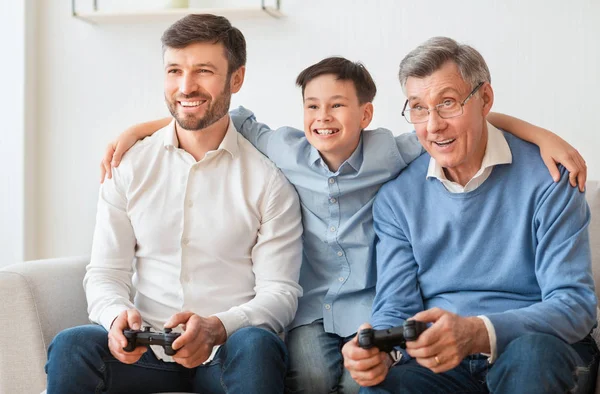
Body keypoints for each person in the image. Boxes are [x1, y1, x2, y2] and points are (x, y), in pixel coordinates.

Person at [100, 56, 588, 393]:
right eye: (312, 106)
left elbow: (453, 123)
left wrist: (538, 134)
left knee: (364, 379)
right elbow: (209, 115)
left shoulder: (396, 154)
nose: (323, 117)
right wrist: (138, 130)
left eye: (336, 105)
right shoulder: (289, 150)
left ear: (367, 114)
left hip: (376, 308)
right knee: (330, 378)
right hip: (315, 309)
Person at [44, 14, 303, 394]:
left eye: (203, 71)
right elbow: (105, 272)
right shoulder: (129, 166)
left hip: (227, 349)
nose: (186, 86)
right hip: (144, 349)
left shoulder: (268, 181)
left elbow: (280, 292)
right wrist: (115, 317)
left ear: (236, 78)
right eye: (174, 70)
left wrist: (218, 326)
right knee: (72, 346)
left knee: (258, 345)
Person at [342, 37, 598, 394]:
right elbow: (395, 306)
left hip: (536, 349)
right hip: (442, 364)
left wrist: (477, 332)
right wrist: (379, 353)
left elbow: (575, 306)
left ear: (485, 100)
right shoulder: (397, 198)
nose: (433, 126)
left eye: (447, 103)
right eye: (418, 107)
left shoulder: (551, 179)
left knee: (532, 356)